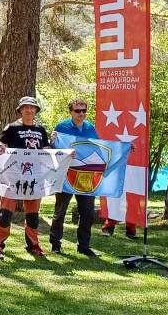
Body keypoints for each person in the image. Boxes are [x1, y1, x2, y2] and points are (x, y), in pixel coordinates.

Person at [0, 96, 50, 258]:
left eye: (32, 107)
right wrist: (0, 148)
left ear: (36, 110)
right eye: (25, 107)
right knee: (6, 213)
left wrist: (64, 155)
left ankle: (33, 245)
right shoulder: (11, 128)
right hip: (13, 176)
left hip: (35, 177)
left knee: (33, 215)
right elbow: (1, 145)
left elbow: (46, 151)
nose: (29, 110)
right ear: (20, 110)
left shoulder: (41, 130)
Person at [49, 98, 99, 257]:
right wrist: (52, 142)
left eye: (84, 111)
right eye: (78, 111)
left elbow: (100, 148)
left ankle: (83, 246)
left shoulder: (91, 127)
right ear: (70, 111)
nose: (81, 114)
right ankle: (55, 244)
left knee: (88, 213)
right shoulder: (61, 127)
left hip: (85, 176)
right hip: (66, 175)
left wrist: (123, 148)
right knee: (60, 211)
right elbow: (53, 150)